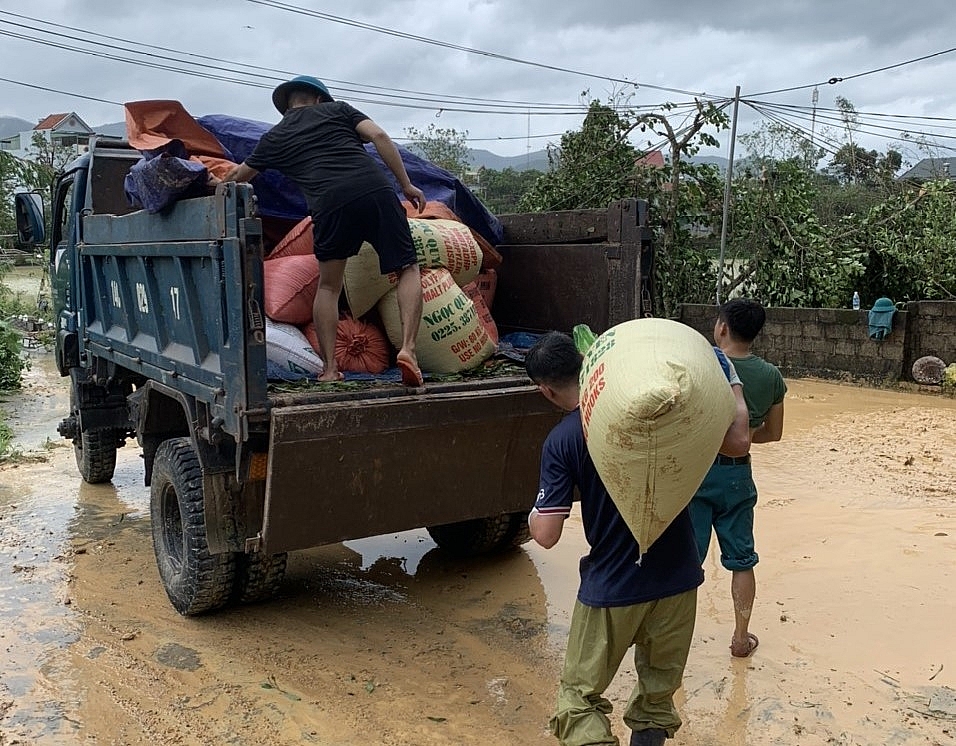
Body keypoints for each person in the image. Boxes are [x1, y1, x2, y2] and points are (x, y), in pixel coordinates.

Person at [525, 331, 749, 746]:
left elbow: (547, 535)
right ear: (583, 359)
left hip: (614, 586)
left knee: (577, 700)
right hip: (679, 580)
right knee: (656, 700)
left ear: (545, 390)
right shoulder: (663, 413)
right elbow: (738, 442)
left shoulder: (564, 439)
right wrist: (730, 379)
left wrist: (535, 510)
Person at [224, 75, 427, 386]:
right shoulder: (340, 111)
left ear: (288, 105)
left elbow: (239, 177)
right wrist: (406, 184)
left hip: (330, 206)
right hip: (375, 193)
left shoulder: (276, 136)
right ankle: (409, 350)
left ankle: (331, 369)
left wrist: (216, 181)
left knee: (329, 287)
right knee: (407, 267)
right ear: (320, 99)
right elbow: (380, 136)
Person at [688, 298, 787, 659]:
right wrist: (742, 437)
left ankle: (676, 641)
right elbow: (772, 434)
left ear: (722, 328)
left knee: (687, 560)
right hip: (737, 476)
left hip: (695, 473)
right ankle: (741, 638)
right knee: (742, 559)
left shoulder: (701, 365)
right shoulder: (771, 376)